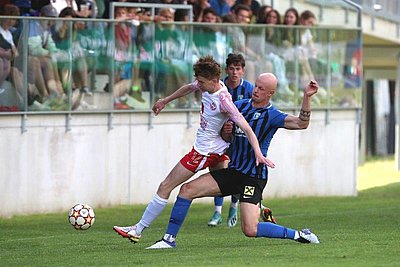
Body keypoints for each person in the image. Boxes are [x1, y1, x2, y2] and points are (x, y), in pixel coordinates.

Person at [146, 73, 320, 249]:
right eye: (256, 85)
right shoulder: (240, 106)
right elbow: (225, 136)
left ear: (270, 93)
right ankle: (168, 240)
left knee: (250, 229)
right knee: (186, 190)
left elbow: (301, 123)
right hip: (233, 171)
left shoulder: (272, 115)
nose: (256, 90)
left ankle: (299, 235)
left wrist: (306, 96)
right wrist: (226, 131)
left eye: (261, 88)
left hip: (253, 176)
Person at [113, 55, 274, 243]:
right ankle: (260, 207)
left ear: (214, 81)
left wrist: (258, 151)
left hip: (204, 152)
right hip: (218, 151)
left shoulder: (224, 100)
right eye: (198, 80)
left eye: (202, 82)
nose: (198, 84)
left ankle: (138, 230)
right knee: (230, 184)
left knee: (166, 186)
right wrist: (165, 100)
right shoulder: (207, 84)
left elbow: (246, 127)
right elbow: (189, 87)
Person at [208, 53, 254, 227]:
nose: (234, 72)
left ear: (243, 71)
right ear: (226, 70)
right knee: (218, 171)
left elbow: (251, 112)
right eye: (232, 69)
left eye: (238, 69)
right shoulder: (218, 87)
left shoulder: (248, 89)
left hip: (240, 138)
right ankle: (217, 212)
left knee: (237, 171)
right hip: (219, 136)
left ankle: (233, 207)